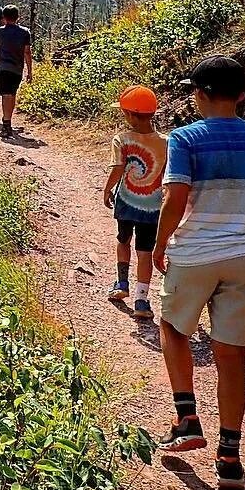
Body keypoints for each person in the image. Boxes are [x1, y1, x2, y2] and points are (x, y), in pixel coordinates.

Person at [154, 56, 245, 490]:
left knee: (171, 327)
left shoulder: (185, 138)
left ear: (202, 94)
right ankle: (230, 457)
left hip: (194, 253)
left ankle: (186, 418)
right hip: (244, 256)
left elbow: (175, 199)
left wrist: (159, 244)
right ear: (244, 95)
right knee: (231, 354)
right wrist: (238, 230)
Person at [102, 85, 166, 321]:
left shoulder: (122, 139)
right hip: (154, 206)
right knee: (145, 252)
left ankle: (121, 283)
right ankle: (142, 299)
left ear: (128, 114)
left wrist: (107, 189)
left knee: (123, 240)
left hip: (127, 202)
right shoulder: (167, 142)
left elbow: (118, 168)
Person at [0, 5, 32, 138]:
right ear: (18, 17)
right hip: (17, 69)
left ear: (4, 18)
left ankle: (7, 125)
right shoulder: (25, 32)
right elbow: (27, 52)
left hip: (3, 68)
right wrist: (30, 71)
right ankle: (8, 122)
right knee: (12, 94)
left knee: (6, 95)